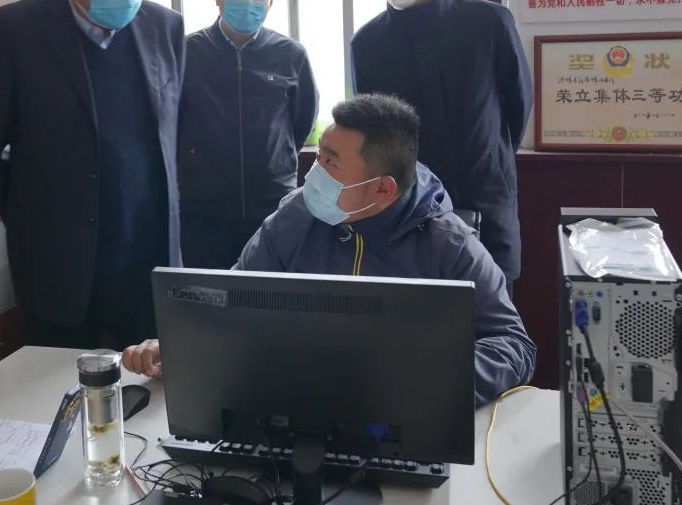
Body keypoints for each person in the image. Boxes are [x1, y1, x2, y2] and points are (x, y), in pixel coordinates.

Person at [124, 94, 536, 406]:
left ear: (382, 188)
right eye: (318, 155)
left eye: (330, 163)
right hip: (299, 407)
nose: (313, 173)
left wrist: (423, 381)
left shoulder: (449, 244)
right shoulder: (295, 217)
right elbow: (234, 297)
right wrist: (179, 344)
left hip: (402, 417)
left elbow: (513, 345)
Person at [0, 0, 184, 350]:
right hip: (58, 258)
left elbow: (173, 129)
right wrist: (31, 210)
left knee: (152, 378)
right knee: (57, 377)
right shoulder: (16, 31)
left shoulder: (164, 25)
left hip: (147, 253)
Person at [350, 0, 532, 288]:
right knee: (417, 316)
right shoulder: (367, 44)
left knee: (493, 311)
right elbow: (371, 131)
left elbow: (518, 105)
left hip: (486, 201)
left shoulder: (488, 23)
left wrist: (490, 157)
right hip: (407, 211)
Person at [179, 0, 318, 269]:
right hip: (203, 208)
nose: (248, 1)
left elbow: (301, 122)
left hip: (272, 204)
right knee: (210, 291)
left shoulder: (290, 54)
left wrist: (273, 160)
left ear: (271, 1)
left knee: (271, 292)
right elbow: (172, 122)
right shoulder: (187, 52)